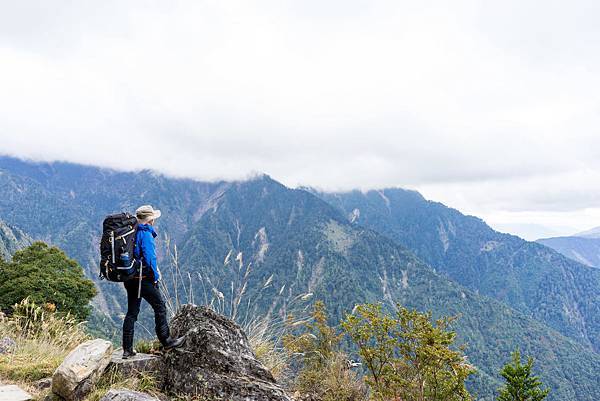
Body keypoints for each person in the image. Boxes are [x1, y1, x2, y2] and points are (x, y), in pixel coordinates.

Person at [122, 204, 185, 358]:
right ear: (150, 220)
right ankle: (167, 340)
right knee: (160, 307)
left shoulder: (130, 231)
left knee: (132, 312)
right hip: (143, 279)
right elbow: (150, 258)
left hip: (129, 277)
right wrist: (156, 277)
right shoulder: (145, 234)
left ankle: (127, 349)